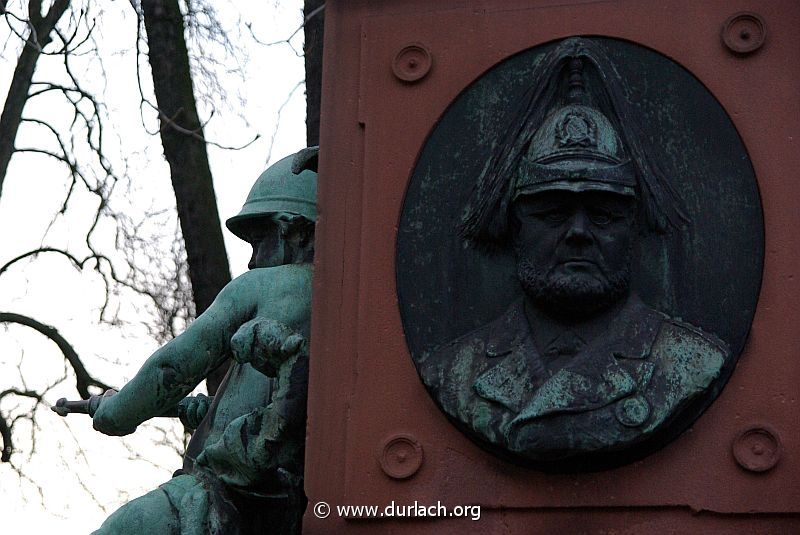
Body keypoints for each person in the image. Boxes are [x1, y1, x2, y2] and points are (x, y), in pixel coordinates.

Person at [420, 42, 729, 467]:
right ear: (514, 227)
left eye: (602, 216)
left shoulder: (692, 363)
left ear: (634, 231)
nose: (578, 233)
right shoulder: (451, 371)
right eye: (552, 214)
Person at [91, 147, 317, 534]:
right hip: (285, 505)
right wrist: (213, 411)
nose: (250, 262)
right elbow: (286, 395)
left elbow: (174, 367)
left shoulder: (267, 284)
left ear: (293, 231)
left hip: (226, 497)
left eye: (259, 241)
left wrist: (116, 413)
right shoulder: (341, 306)